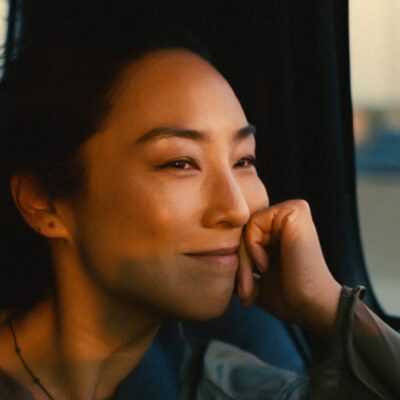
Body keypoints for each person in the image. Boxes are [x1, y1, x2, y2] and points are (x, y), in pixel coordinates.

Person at [0, 29, 399, 400]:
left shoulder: (222, 386)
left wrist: (329, 306)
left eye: (244, 160)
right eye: (179, 163)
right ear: (45, 202)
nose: (237, 209)